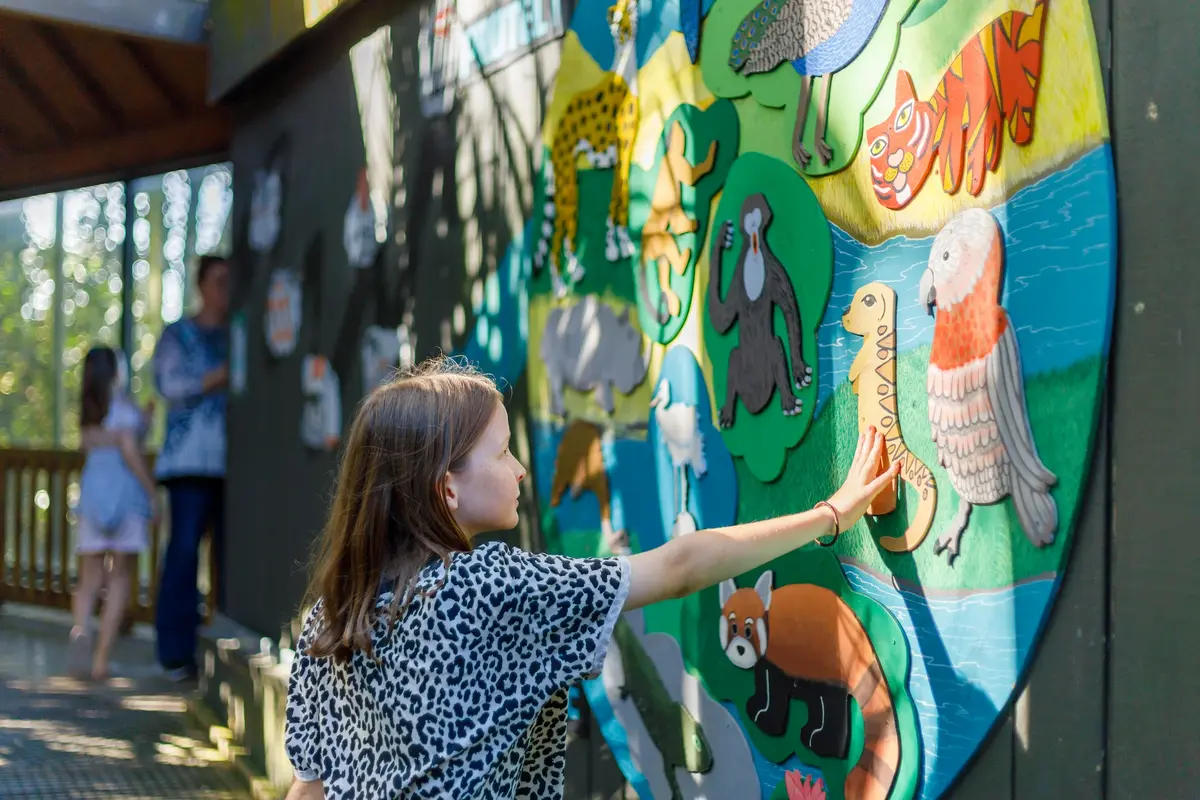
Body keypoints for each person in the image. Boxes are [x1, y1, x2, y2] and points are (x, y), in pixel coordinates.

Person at [283, 357, 901, 799]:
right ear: (446, 487)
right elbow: (681, 567)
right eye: (502, 453)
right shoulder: (485, 590)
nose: (521, 469)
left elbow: (309, 785)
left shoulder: (332, 617)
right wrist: (831, 513)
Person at [151, 254, 231, 681]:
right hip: (186, 467)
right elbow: (167, 385)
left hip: (230, 469)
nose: (225, 290)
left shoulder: (237, 334)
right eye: (219, 281)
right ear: (201, 285)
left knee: (228, 559)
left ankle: (217, 645)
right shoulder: (177, 335)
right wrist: (216, 378)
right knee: (182, 555)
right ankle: (173, 655)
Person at [69, 347, 159, 681]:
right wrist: (152, 493)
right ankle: (101, 660)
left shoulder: (89, 413)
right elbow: (131, 451)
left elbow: (93, 442)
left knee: (89, 578)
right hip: (125, 498)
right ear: (116, 372)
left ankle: (81, 631)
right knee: (120, 577)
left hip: (92, 496)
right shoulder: (124, 409)